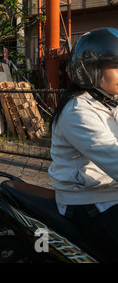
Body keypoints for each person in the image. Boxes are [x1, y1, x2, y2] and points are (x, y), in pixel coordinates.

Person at [49, 27, 118, 261]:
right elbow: (114, 159)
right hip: (89, 201)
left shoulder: (109, 103)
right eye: (117, 66)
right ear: (91, 70)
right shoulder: (78, 112)